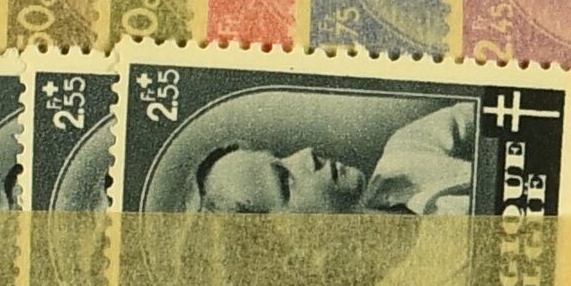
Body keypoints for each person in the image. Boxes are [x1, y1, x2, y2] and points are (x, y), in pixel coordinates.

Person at [192, 98, 478, 218]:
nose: (306, 154)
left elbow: (491, 106)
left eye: (282, 156)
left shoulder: (405, 152)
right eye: (284, 180)